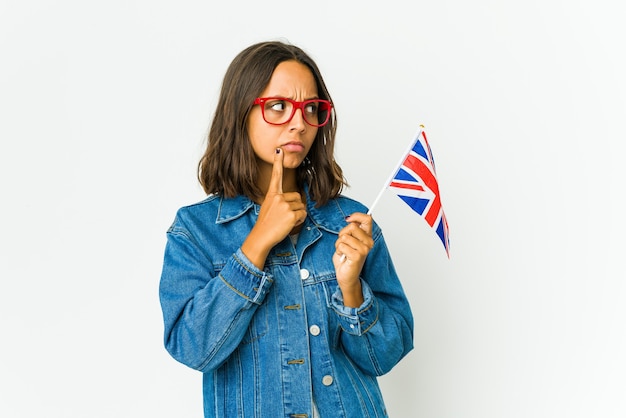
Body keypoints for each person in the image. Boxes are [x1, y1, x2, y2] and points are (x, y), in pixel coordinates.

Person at [159, 40, 414, 418]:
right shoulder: (195, 230)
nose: (299, 123)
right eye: (278, 107)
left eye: (311, 109)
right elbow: (194, 349)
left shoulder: (351, 222)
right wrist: (256, 244)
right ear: (240, 112)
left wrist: (351, 290)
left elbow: (386, 356)